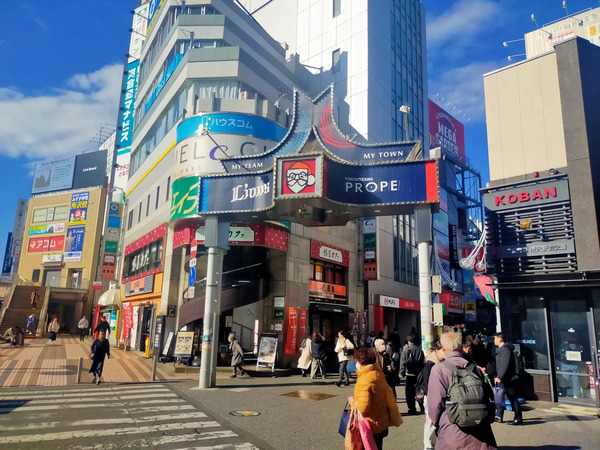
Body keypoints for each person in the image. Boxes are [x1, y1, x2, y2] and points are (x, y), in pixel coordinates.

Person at [427, 331, 497, 450]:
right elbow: (489, 396)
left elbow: (435, 405)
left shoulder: (438, 369)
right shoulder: (475, 369)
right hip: (481, 432)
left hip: (452, 431)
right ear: (460, 346)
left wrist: (439, 424)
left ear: (443, 347)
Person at [351, 348, 403, 450]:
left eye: (356, 361)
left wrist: (353, 402)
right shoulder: (378, 373)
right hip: (381, 422)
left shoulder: (365, 379)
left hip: (369, 425)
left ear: (361, 362)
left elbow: (363, 406)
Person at [417, 339, 444, 450]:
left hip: (436, 395)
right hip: (431, 396)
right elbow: (427, 383)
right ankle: (429, 446)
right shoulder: (431, 363)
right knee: (431, 422)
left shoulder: (436, 360)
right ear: (437, 350)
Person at [494, 332, 522, 424]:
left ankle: (518, 417)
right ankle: (499, 415)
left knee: (512, 397)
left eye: (495, 338)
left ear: (500, 339)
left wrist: (500, 377)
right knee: (500, 396)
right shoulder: (501, 349)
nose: (494, 340)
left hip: (508, 379)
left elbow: (504, 364)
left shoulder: (505, 350)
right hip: (504, 378)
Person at [400, 332, 425, 414]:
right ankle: (421, 406)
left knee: (409, 392)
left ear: (409, 341)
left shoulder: (406, 349)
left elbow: (403, 361)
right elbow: (422, 361)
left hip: (409, 373)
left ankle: (412, 409)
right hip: (418, 373)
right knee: (418, 390)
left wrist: (401, 372)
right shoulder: (419, 349)